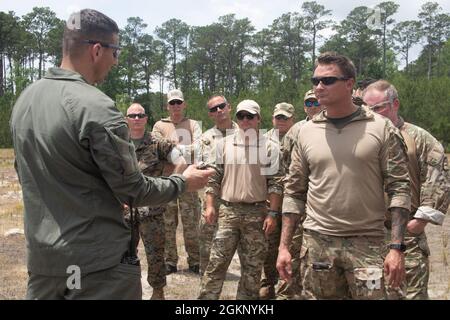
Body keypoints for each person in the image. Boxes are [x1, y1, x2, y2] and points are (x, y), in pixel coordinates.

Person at [10, 9, 213, 300]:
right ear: (96, 50)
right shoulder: (95, 107)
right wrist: (183, 183)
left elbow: (28, 174)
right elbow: (133, 189)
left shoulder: (24, 102)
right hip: (95, 270)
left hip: (45, 266)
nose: (116, 62)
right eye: (115, 52)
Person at [277, 52, 411, 300]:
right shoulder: (305, 132)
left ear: (349, 83)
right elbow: (294, 192)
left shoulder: (380, 128)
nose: (319, 86)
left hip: (368, 244)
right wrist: (284, 247)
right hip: (318, 245)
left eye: (327, 80)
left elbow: (400, 188)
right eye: (315, 80)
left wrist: (396, 248)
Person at [362, 80, 449, 299]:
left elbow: (438, 178)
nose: (372, 113)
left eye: (378, 107)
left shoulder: (419, 138)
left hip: (406, 235)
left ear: (395, 104)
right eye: (366, 108)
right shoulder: (361, 138)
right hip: (366, 235)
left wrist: (420, 221)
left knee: (410, 294)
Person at [198, 100, 283, 300]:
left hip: (257, 213)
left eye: (250, 116)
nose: (245, 120)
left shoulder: (270, 147)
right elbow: (214, 177)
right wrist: (210, 206)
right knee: (216, 265)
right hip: (228, 211)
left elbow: (276, 184)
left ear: (258, 119)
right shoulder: (223, 144)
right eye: (241, 116)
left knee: (252, 271)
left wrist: (273, 213)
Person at [125, 103, 187, 300]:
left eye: (140, 115)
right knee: (123, 255)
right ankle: (126, 292)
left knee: (156, 256)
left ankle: (157, 292)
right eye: (132, 115)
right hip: (124, 212)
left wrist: (172, 184)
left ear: (145, 119)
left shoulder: (157, 143)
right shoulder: (118, 143)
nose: (136, 119)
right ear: (126, 119)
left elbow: (181, 160)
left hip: (152, 212)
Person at [275, 90, 324, 300]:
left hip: (322, 203)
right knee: (292, 250)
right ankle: (286, 294)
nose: (312, 106)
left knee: (318, 255)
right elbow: (284, 165)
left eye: (315, 101)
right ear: (304, 106)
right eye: (308, 102)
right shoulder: (296, 130)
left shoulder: (332, 127)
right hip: (298, 201)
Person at [152, 89, 203, 275]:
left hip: (189, 181)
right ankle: (170, 261)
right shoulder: (159, 125)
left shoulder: (193, 124)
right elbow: (157, 149)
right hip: (166, 182)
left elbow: (199, 148)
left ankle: (195, 261)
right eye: (172, 103)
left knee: (191, 223)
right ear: (167, 106)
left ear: (184, 104)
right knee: (167, 223)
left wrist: (173, 148)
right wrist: (182, 150)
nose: (175, 106)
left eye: (178, 102)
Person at [198, 95, 238, 276]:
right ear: (210, 114)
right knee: (206, 237)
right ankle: (206, 276)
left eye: (221, 106)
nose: (219, 111)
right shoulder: (205, 138)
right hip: (210, 198)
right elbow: (195, 163)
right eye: (214, 109)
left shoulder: (245, 132)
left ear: (229, 107)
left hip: (237, 199)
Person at [259, 102, 295, 299]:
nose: (281, 121)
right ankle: (268, 283)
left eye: (285, 118)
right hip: (269, 201)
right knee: (269, 245)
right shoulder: (263, 141)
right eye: (278, 117)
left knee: (292, 245)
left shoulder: (299, 137)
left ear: (293, 119)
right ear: (272, 119)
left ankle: (288, 285)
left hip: (293, 201)